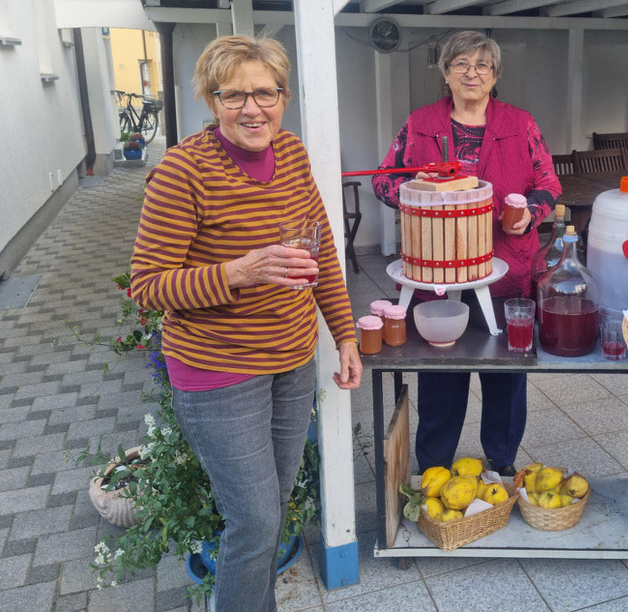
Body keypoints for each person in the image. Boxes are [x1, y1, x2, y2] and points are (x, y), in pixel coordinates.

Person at [130, 35, 362, 612]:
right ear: (212, 100)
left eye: (266, 92)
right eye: (235, 95)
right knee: (254, 522)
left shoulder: (293, 153)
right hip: (218, 372)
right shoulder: (183, 172)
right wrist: (238, 271)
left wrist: (345, 333)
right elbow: (147, 288)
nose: (253, 108)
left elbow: (322, 252)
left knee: (272, 510)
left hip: (290, 361)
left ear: (283, 96)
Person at [373, 30, 561, 475]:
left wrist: (529, 214)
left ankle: (502, 463)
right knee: (439, 378)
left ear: (495, 75)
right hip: (436, 272)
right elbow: (383, 180)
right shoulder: (420, 124)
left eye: (482, 65)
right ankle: (433, 466)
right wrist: (420, 195)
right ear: (445, 73)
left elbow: (548, 184)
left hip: (506, 270)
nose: (471, 73)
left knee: (505, 378)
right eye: (460, 64)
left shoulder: (521, 123)